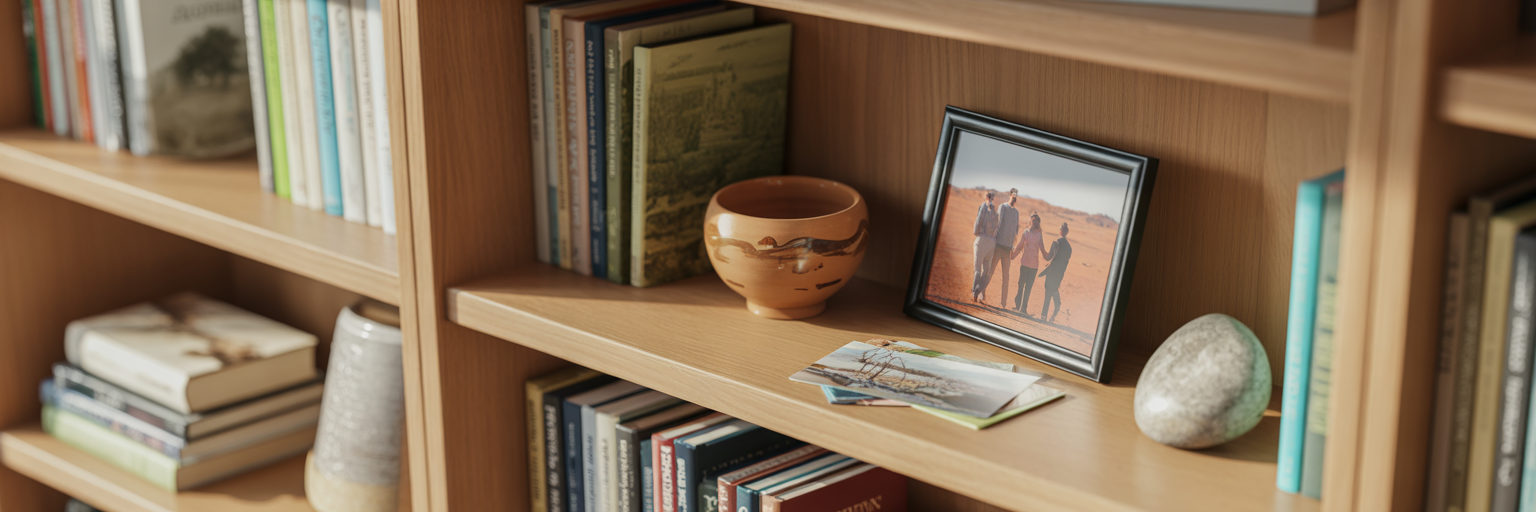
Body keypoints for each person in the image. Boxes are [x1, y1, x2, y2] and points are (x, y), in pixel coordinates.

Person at [1010, 212, 1047, 315]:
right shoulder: (1030, 233)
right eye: (1033, 220)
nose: (1033, 222)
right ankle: (1020, 307)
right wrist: (1013, 256)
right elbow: (1021, 246)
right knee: (1024, 286)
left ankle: (1021, 308)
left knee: (1024, 286)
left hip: (1030, 265)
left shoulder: (1034, 234)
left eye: (1034, 220)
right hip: (1029, 264)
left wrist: (1013, 256)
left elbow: (1041, 248)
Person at [990, 191, 1021, 308]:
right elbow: (998, 224)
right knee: (991, 271)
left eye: (1016, 198)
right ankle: (980, 292)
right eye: (1013, 197)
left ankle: (1003, 302)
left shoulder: (1016, 212)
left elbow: (1015, 231)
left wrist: (1013, 246)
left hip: (1007, 249)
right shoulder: (1003, 207)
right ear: (1010, 196)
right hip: (998, 246)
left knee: (1006, 276)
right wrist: (993, 241)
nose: (1014, 200)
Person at [1038, 222, 1073, 323]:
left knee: (1048, 293)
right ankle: (1053, 312)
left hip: (1052, 271)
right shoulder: (1069, 248)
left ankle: (1044, 316)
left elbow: (1048, 257)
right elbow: (1065, 265)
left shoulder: (1057, 242)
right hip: (1059, 274)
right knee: (1053, 290)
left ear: (1060, 231)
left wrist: (1041, 248)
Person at [970, 191, 999, 302]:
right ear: (993, 198)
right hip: (992, 242)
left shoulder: (983, 206)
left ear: (987, 197)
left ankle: (974, 292)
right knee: (986, 271)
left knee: (977, 270)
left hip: (982, 239)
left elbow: (978, 221)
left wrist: (976, 232)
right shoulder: (995, 212)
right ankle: (980, 291)